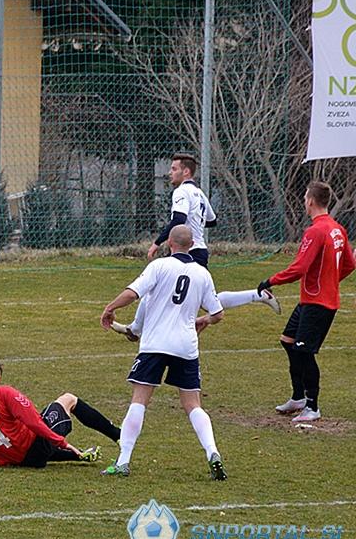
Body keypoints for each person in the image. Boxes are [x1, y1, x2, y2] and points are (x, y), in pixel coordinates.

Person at [100, 225, 227, 480]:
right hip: (186, 346)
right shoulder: (202, 273)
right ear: (192, 245)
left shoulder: (158, 267)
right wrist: (203, 320)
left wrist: (110, 308)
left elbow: (132, 294)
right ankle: (212, 452)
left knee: (139, 400)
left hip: (155, 345)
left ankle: (123, 461)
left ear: (169, 242)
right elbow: (218, 314)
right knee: (193, 405)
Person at [112, 153, 279, 341]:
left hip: (188, 250)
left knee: (199, 299)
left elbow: (179, 219)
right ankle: (135, 329)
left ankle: (258, 295)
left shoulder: (181, 192)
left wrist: (157, 242)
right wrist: (195, 223)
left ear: (186, 172)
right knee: (177, 292)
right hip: (197, 250)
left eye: (174, 169)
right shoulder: (199, 193)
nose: (169, 173)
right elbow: (212, 220)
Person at [256, 181, 355, 423]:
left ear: (310, 201)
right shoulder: (337, 229)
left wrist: (270, 281)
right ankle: (298, 397)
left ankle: (312, 406)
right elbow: (350, 264)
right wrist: (330, 280)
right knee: (288, 341)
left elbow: (299, 268)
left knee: (304, 351)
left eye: (304, 198)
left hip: (318, 303)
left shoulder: (316, 231)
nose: (303, 202)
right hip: (311, 300)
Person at [0, 357, 119, 468]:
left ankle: (79, 454)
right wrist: (63, 443)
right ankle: (118, 435)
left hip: (13, 460)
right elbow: (34, 422)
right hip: (34, 449)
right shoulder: (4, 393)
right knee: (68, 399)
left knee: (36, 436)